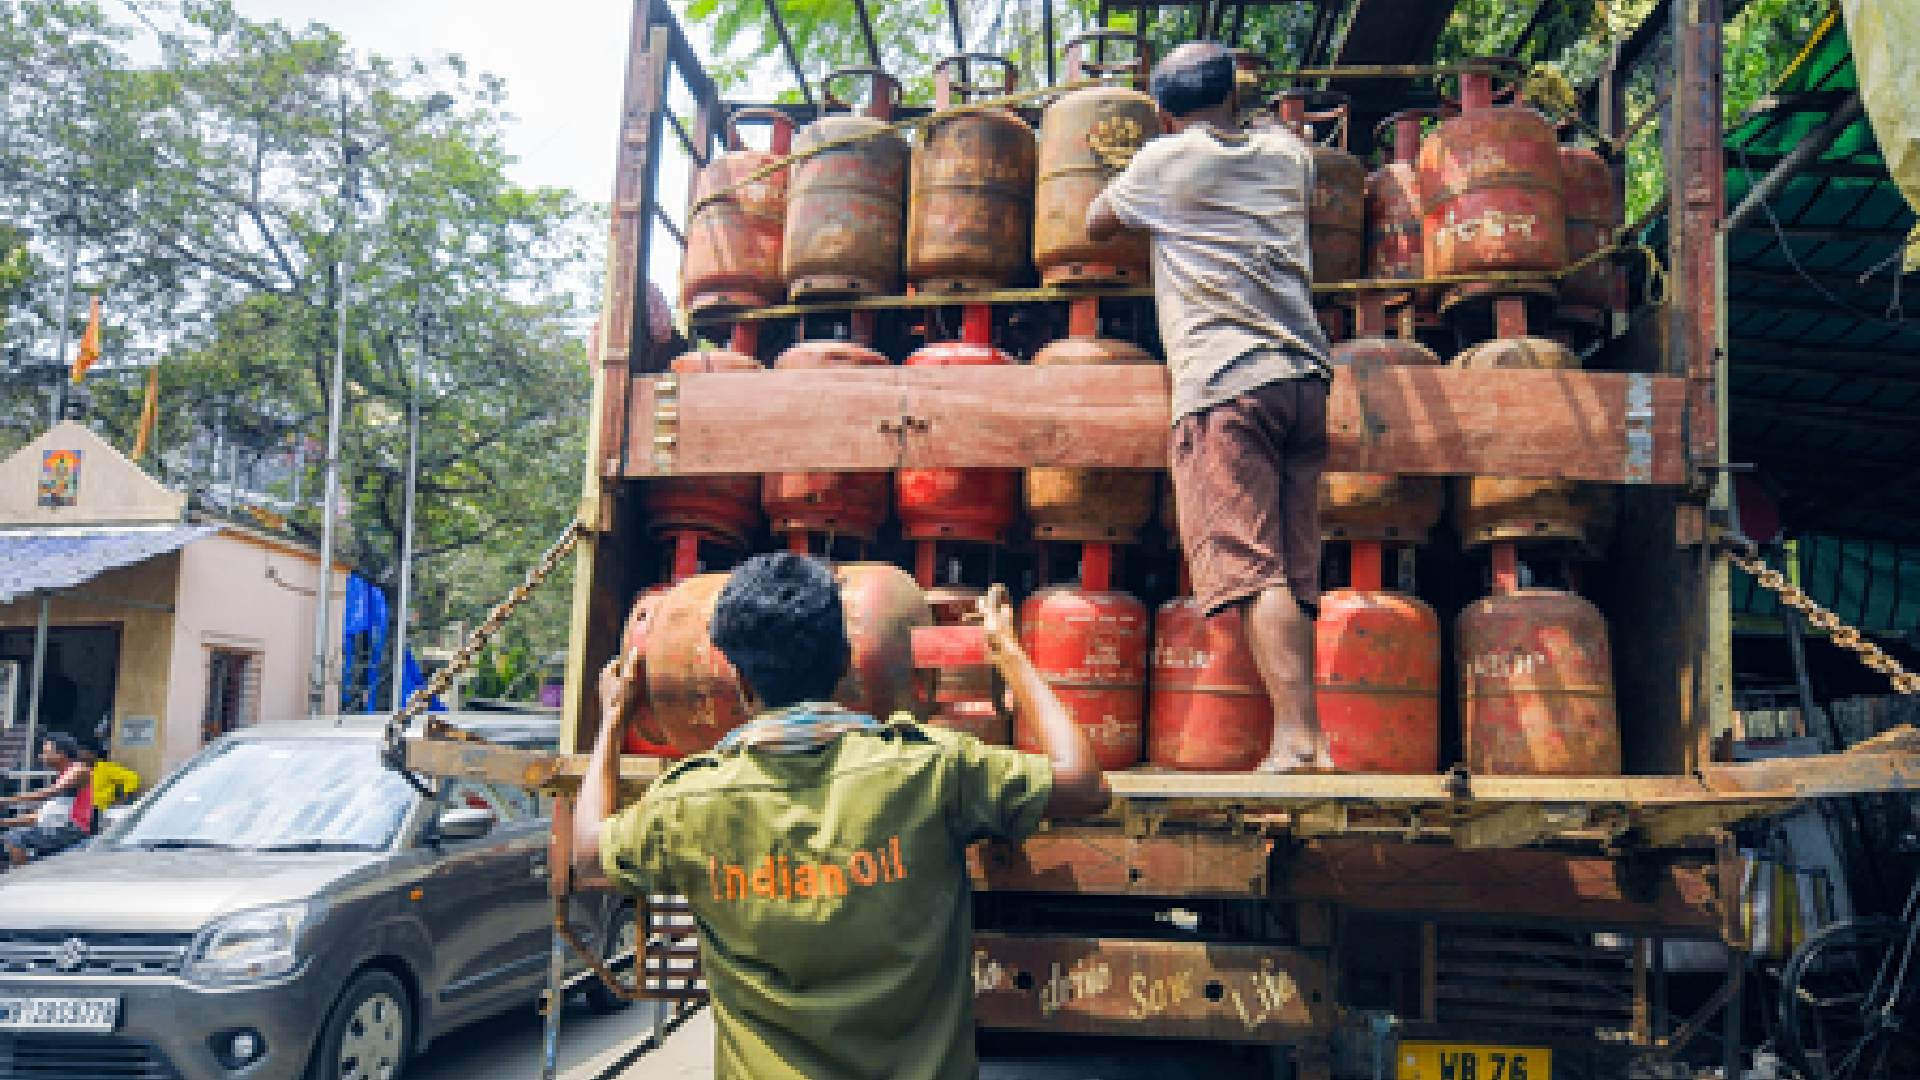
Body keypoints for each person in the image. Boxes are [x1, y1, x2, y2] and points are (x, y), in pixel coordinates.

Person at [573, 553, 1110, 1080]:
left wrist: (612, 722)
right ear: (844, 662)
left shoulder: (688, 803)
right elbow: (1086, 786)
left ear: (740, 682)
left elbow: (589, 854)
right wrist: (1009, 655)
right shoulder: (929, 769)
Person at [1086, 41, 1334, 772]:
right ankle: (1305, 738)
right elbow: (1295, 156)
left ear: (1165, 114)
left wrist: (1131, 160)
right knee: (1293, 569)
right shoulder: (1288, 155)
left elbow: (1098, 221)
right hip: (1304, 379)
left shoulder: (1166, 161)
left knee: (1252, 569)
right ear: (1234, 94)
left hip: (1227, 383)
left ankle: (1299, 740)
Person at [0, 732, 93, 865]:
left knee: (15, 837)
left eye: (46, 752)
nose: (41, 756)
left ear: (60, 753)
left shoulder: (78, 769)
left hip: (72, 829)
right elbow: (38, 817)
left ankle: (23, 876)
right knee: (14, 841)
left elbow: (51, 792)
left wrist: (6, 800)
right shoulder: (62, 778)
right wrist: (4, 822)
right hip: (57, 829)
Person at [79, 739, 140, 811]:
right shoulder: (81, 774)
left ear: (93, 754)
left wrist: (119, 793)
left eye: (85, 755)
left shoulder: (105, 767)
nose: (83, 759)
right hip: (94, 812)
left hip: (113, 810)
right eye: (81, 758)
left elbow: (132, 778)